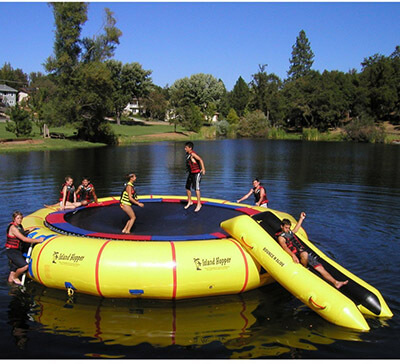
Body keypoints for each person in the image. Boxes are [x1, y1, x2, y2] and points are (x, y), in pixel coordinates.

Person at [277, 212, 348, 289]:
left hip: (303, 253)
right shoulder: (281, 237)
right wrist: (293, 256)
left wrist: (301, 218)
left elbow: (296, 228)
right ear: (282, 226)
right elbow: (285, 247)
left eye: (289, 228)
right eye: (286, 228)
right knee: (304, 254)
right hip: (297, 254)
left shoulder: (290, 232)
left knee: (320, 268)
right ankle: (304, 268)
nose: (288, 230)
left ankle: (336, 282)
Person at [5, 211, 44, 286]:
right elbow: (24, 239)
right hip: (12, 251)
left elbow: (21, 233)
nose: (20, 220)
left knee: (13, 270)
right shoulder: (13, 228)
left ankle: (10, 286)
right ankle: (15, 277)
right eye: (18, 218)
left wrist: (30, 230)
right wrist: (38, 240)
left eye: (21, 218)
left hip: (17, 250)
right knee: (24, 266)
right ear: (14, 219)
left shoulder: (19, 226)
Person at [184, 142, 206, 212]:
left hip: (196, 173)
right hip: (191, 173)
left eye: (186, 148)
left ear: (190, 148)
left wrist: (203, 169)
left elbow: (200, 160)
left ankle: (199, 204)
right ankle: (190, 201)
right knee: (187, 187)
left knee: (196, 188)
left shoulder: (193, 154)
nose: (185, 149)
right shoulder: (188, 154)